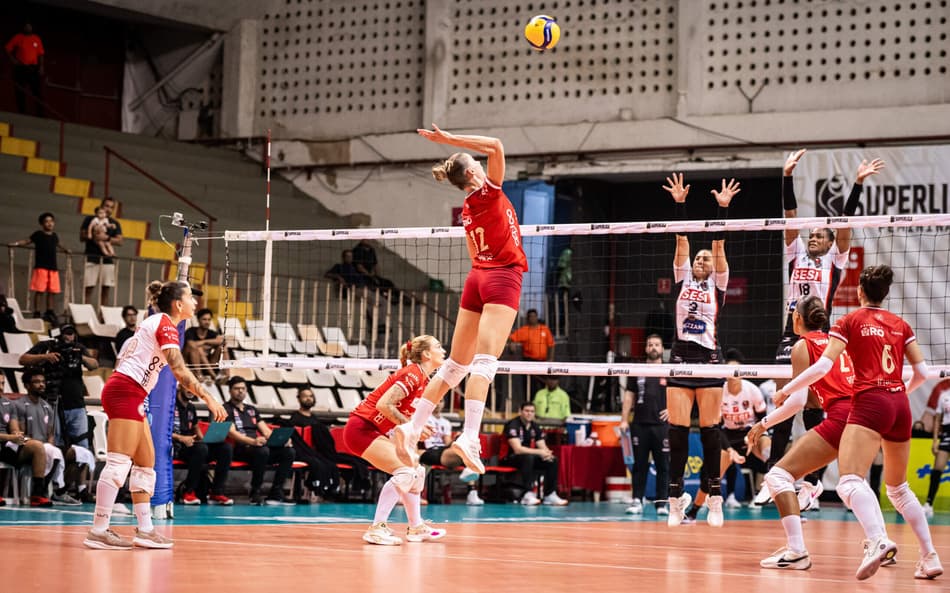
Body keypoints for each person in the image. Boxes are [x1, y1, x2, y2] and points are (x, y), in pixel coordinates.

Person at [771, 265, 943, 581]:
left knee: (849, 481)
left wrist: (786, 390)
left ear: (860, 291)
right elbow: (922, 373)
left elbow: (823, 367)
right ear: (885, 293)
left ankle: (877, 541)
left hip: (870, 402)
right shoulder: (901, 324)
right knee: (899, 489)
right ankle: (929, 556)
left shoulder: (849, 321)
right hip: (899, 404)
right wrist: (899, 393)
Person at [392, 125, 527, 477]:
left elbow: (472, 251)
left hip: (477, 277)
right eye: (476, 164)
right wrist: (449, 140)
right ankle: (469, 437)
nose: (483, 165)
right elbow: (496, 144)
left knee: (454, 366)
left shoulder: (467, 206)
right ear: (471, 173)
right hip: (502, 276)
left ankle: (412, 427)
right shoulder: (489, 192)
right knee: (484, 363)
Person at [760, 151, 885, 505]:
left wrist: (857, 184)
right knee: (785, 400)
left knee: (815, 403)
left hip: (819, 332)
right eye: (811, 235)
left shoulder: (835, 259)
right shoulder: (795, 252)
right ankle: (773, 474)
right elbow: (790, 217)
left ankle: (811, 482)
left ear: (831, 244)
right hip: (791, 331)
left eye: (820, 235)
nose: (813, 238)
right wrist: (787, 177)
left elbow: (844, 223)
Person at [83, 280, 226, 550]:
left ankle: (146, 530)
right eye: (191, 297)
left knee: (146, 464)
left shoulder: (157, 322)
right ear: (178, 304)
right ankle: (98, 530)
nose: (196, 302)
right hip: (125, 391)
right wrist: (209, 397)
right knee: (118, 464)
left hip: (134, 393)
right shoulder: (164, 324)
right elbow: (179, 370)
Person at [745, 295, 855, 570]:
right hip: (863, 416)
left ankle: (797, 550)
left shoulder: (802, 346)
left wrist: (763, 423)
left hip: (840, 416)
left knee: (777, 476)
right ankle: (883, 541)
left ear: (796, 319)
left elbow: (796, 402)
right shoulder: (837, 343)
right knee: (859, 483)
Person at [660, 172, 739, 528]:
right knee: (677, 434)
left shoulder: (718, 285)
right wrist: (680, 204)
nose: (701, 261)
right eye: (698, 259)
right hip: (680, 359)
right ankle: (674, 498)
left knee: (710, 433)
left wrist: (722, 209)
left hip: (709, 361)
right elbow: (681, 241)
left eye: (706, 259)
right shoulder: (682, 280)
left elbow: (718, 246)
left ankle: (715, 497)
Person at [343, 335, 448, 545]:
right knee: (406, 472)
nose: (443, 350)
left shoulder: (423, 379)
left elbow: (400, 414)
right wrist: (412, 427)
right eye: (438, 346)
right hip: (361, 429)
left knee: (416, 471)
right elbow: (384, 405)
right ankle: (377, 528)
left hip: (374, 431)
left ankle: (416, 527)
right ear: (426, 354)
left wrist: (416, 427)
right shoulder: (412, 374)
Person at [10, 369, 95, 505]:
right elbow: (20, 433)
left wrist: (49, 444)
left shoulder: (46, 406)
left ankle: (60, 492)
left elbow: (50, 434)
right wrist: (42, 446)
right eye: (37, 382)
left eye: (43, 382)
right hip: (27, 446)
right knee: (50, 451)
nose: (41, 385)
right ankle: (41, 492)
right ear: (27, 385)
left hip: (46, 446)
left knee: (82, 454)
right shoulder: (18, 405)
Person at [19, 324, 98, 451]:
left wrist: (80, 356)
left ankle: (79, 464)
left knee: (82, 445)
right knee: (54, 443)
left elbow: (94, 365)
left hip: (76, 403)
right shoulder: (48, 346)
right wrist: (45, 357)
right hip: (52, 402)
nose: (69, 337)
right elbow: (23, 359)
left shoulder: (78, 348)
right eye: (66, 333)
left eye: (71, 333)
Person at [223, 376, 296, 505]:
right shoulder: (225, 409)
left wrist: (281, 440)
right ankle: (255, 492)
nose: (240, 391)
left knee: (289, 452)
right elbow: (232, 433)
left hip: (258, 448)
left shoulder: (251, 410)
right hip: (240, 449)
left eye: (243, 388)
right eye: (236, 388)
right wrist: (253, 442)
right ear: (230, 391)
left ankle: (276, 493)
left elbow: (266, 431)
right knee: (262, 451)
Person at [620, 334, 670, 516]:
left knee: (663, 465)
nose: (653, 347)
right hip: (640, 424)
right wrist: (624, 419)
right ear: (646, 348)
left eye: (657, 344)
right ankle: (637, 500)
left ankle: (662, 503)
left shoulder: (669, 370)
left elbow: (680, 392)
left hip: (662, 426)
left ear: (662, 348)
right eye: (650, 345)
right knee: (639, 465)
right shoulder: (637, 369)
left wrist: (673, 409)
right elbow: (629, 396)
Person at [719, 348, 769, 507]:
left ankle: (767, 488)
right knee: (716, 462)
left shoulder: (752, 389)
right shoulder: (719, 391)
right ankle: (715, 495)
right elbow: (716, 427)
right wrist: (729, 449)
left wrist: (753, 437)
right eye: (730, 370)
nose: (734, 374)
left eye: (737, 370)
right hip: (728, 433)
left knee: (767, 447)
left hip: (750, 430)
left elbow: (763, 418)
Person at [172, 386, 234, 506]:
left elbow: (196, 428)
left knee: (225, 448)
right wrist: (181, 438)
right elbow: (160, 429)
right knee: (201, 449)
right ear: (179, 386)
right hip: (176, 446)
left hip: (192, 445)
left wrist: (205, 439)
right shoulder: (169, 405)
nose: (190, 390)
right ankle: (188, 491)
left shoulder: (191, 407)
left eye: (192, 387)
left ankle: (216, 492)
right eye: (187, 386)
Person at [501, 402, 569, 506]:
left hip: (528, 458)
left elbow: (542, 446)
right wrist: (539, 452)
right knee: (528, 457)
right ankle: (527, 494)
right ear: (520, 412)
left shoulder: (534, 426)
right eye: (527, 411)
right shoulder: (513, 425)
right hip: (509, 458)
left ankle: (550, 495)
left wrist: (547, 454)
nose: (529, 413)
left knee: (552, 460)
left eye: (532, 411)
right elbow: (517, 449)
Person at [418, 400, 483, 505]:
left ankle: (471, 481)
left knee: (465, 445)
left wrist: (456, 438)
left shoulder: (446, 423)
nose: (438, 403)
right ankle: (471, 481)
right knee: (466, 452)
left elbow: (447, 442)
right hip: (429, 450)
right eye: (437, 400)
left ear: (444, 403)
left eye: (441, 401)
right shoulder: (424, 418)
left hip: (443, 450)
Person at [284, 387, 343, 502]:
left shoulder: (315, 419)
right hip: (302, 453)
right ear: (299, 399)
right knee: (317, 463)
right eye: (305, 396)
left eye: (310, 396)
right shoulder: (295, 418)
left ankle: (330, 491)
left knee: (331, 463)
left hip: (316, 453)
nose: (308, 398)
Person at [8, 212, 70, 320]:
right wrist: (16, 243)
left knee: (52, 291)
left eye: (51, 221)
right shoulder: (38, 234)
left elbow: (59, 244)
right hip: (41, 267)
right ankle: (37, 311)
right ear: (42, 224)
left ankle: (49, 311)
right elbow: (27, 241)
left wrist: (66, 250)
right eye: (46, 221)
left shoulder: (55, 236)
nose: (49, 223)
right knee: (40, 291)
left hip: (53, 268)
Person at [0, 384, 52, 507]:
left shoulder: (8, 404)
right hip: (4, 440)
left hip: (6, 444)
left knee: (37, 446)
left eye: (2, 383)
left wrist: (17, 435)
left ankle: (37, 495)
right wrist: (10, 437)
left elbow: (14, 428)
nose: (0, 387)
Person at [79, 197, 123, 307]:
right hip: (91, 257)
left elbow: (120, 241)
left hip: (107, 260)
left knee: (106, 290)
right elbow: (82, 236)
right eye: (107, 206)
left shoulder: (114, 223)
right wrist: (93, 235)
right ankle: (86, 314)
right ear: (102, 206)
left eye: (111, 207)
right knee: (88, 289)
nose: (108, 209)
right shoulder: (90, 219)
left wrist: (106, 238)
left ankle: (102, 315)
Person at [4, 23, 44, 116]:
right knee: (20, 91)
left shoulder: (36, 38)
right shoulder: (18, 37)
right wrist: (13, 59)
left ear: (32, 28)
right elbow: (7, 48)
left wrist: (41, 66)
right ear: (24, 27)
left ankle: (40, 114)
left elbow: (41, 53)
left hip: (33, 69)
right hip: (21, 68)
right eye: (26, 26)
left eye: (29, 26)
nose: (28, 28)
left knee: (37, 91)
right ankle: (22, 113)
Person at [924, 380, 950, 518]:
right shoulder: (944, 395)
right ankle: (929, 504)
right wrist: (935, 441)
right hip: (946, 434)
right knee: (937, 469)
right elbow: (938, 419)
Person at [184, 308, 226, 382]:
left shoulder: (211, 333)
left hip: (206, 363)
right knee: (198, 349)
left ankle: (226, 374)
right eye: (204, 319)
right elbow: (192, 345)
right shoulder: (191, 331)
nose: (207, 322)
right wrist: (208, 344)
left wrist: (204, 342)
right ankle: (208, 375)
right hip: (190, 363)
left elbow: (222, 341)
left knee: (222, 347)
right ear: (198, 320)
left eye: (209, 320)